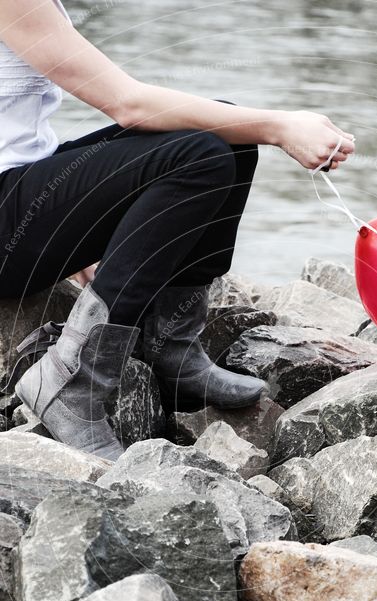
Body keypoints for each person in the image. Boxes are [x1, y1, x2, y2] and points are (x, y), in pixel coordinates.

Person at [0, 0, 355, 460]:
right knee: (201, 153)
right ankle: (72, 382)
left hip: (15, 196)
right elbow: (130, 104)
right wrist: (281, 125)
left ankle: (171, 347)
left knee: (228, 132)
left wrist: (76, 229)